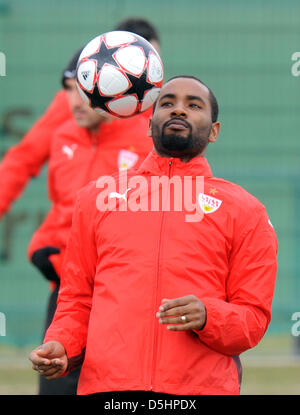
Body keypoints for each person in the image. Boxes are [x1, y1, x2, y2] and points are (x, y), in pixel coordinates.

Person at [29, 76, 278, 395]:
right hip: (110, 390)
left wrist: (208, 316)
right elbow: (77, 297)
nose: (179, 110)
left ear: (214, 131)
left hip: (199, 390)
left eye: (194, 105)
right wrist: (63, 343)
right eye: (168, 102)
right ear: (148, 125)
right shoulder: (97, 199)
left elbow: (253, 318)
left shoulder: (245, 210)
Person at [0, 17, 160, 219]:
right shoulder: (78, 98)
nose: (145, 74)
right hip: (72, 238)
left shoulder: (158, 105)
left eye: (153, 61)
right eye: (137, 63)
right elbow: (23, 159)